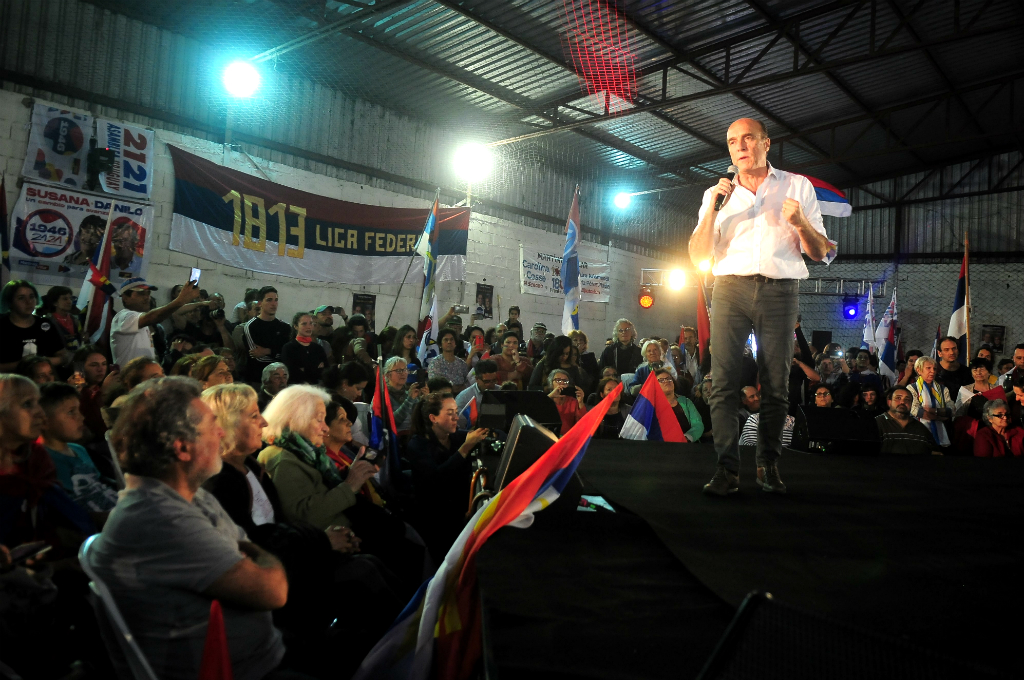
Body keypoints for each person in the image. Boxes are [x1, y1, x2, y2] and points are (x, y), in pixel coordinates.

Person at [87, 377, 291, 680]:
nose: (222, 432)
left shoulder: (194, 499)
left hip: (258, 657)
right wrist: (262, 559)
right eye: (212, 425)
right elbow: (272, 591)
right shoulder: (160, 519)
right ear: (183, 447)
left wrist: (249, 555)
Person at [689, 118, 832, 495]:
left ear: (766, 143)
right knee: (721, 382)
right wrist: (714, 213)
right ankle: (726, 469)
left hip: (780, 291)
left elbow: (820, 252)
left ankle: (768, 464)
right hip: (729, 290)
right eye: (733, 140)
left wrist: (800, 221)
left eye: (748, 138)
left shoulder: (797, 186)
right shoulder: (716, 195)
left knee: (775, 383)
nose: (740, 146)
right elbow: (697, 254)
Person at [257, 385, 422, 588]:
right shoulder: (284, 460)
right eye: (319, 420)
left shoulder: (308, 453)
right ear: (295, 420)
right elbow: (303, 516)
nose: (325, 428)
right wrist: (350, 484)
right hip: (324, 552)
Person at [406, 393, 489, 562]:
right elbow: (437, 479)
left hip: (458, 507)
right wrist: (465, 449)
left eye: (456, 412)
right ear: (433, 418)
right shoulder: (417, 445)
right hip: (437, 518)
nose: (456, 418)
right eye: (450, 413)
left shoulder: (455, 437)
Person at [39, 382, 118, 517]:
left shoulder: (78, 449)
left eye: (79, 410)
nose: (81, 417)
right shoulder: (44, 461)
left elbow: (100, 483)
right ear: (45, 421)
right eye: (71, 412)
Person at [111, 277, 203, 366]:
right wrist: (180, 301)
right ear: (125, 298)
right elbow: (154, 317)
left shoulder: (143, 323)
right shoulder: (123, 317)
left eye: (148, 293)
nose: (147, 297)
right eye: (141, 293)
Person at [0, 280, 66, 372]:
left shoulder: (45, 324)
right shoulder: (2, 326)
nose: (29, 302)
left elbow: (62, 357)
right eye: (21, 298)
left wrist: (38, 362)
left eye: (32, 297)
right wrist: (26, 364)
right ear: (9, 302)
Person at [241, 286, 292, 384]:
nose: (274, 304)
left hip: (281, 379)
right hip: (258, 378)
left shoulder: (285, 327)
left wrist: (268, 351)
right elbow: (258, 356)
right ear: (260, 303)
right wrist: (277, 352)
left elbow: (287, 355)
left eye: (276, 300)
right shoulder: (251, 326)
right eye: (269, 300)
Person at [71, 344, 119, 438]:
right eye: (94, 365)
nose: (101, 369)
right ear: (80, 368)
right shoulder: (76, 391)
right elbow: (92, 423)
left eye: (104, 364)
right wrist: (104, 392)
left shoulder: (108, 387)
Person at [875, 386, 938, 455]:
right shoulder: (876, 424)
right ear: (889, 402)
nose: (902, 402)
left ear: (911, 404)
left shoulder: (921, 429)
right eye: (898, 398)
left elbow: (934, 452)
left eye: (907, 400)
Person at [907, 356, 953, 447]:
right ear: (919, 370)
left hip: (943, 430)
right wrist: (939, 417)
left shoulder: (943, 389)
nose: (933, 371)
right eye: (928, 368)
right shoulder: (911, 388)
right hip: (918, 430)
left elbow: (952, 410)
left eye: (934, 369)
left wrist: (932, 411)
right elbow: (914, 409)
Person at [652, 367, 704, 442]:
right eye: (661, 380)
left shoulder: (686, 402)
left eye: (669, 378)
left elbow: (698, 424)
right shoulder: (652, 406)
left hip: (688, 445)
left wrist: (686, 438)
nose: (666, 381)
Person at [280, 312, 328, 386]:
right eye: (304, 324)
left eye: (311, 323)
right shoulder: (289, 348)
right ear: (296, 326)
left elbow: (325, 371)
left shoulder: (318, 348)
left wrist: (305, 369)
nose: (309, 327)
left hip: (316, 388)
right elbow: (293, 373)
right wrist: (316, 369)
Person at [383, 356, 424, 433]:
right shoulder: (382, 396)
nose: (403, 373)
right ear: (388, 375)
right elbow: (392, 422)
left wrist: (425, 399)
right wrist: (410, 399)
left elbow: (420, 419)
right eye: (398, 370)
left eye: (405, 370)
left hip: (411, 436)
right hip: (393, 439)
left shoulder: (409, 394)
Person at [39, 286, 84, 356]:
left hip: (76, 358)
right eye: (65, 299)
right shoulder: (47, 321)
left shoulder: (76, 320)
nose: (69, 302)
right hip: (58, 359)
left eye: (70, 298)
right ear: (55, 302)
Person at [454, 358, 498, 428]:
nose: (491, 384)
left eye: (494, 380)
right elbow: (459, 424)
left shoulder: (501, 391)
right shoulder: (464, 397)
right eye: (486, 381)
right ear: (477, 379)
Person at [545, 368, 587, 435]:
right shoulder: (546, 399)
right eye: (558, 380)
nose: (562, 383)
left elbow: (583, 423)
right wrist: (550, 396)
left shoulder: (573, 401)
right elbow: (536, 411)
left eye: (565, 381)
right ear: (551, 384)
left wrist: (581, 401)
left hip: (568, 438)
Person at [427, 328, 470, 393]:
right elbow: (434, 385)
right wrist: (453, 389)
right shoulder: (435, 363)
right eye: (446, 340)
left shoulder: (462, 364)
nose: (449, 342)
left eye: (452, 339)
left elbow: (467, 384)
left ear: (455, 343)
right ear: (440, 344)